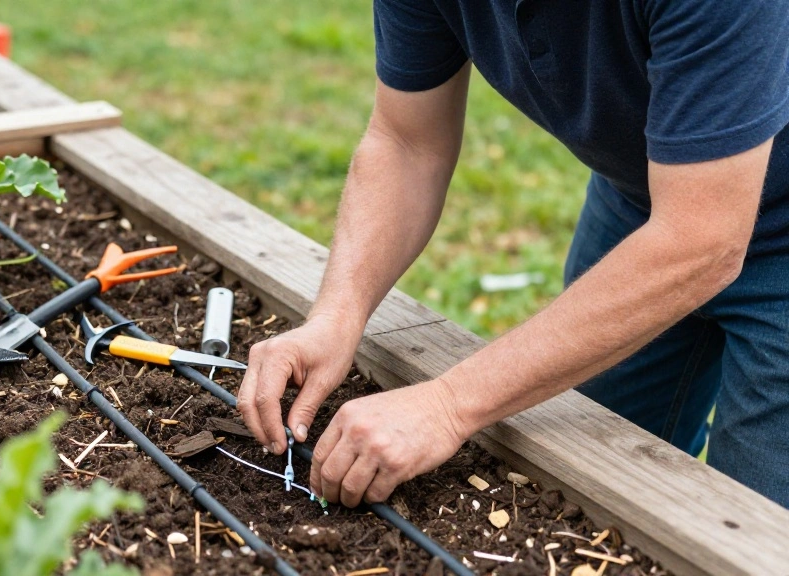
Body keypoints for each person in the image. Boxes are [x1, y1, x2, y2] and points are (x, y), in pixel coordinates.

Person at [236, 0, 789, 509]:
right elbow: (407, 143)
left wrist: (448, 405)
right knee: (593, 480)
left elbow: (701, 239)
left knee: (752, 530)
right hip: (645, 196)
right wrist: (336, 317)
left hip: (737, 233)